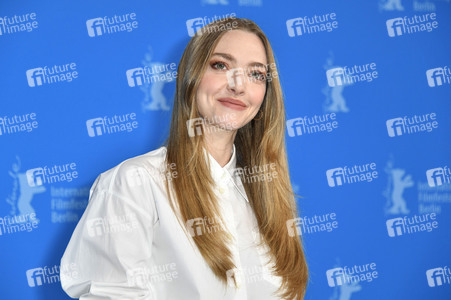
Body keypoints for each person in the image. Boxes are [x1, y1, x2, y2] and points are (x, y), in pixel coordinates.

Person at [60, 17, 308, 300]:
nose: (239, 86)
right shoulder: (135, 183)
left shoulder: (268, 196)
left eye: (256, 74)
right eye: (221, 65)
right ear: (190, 76)